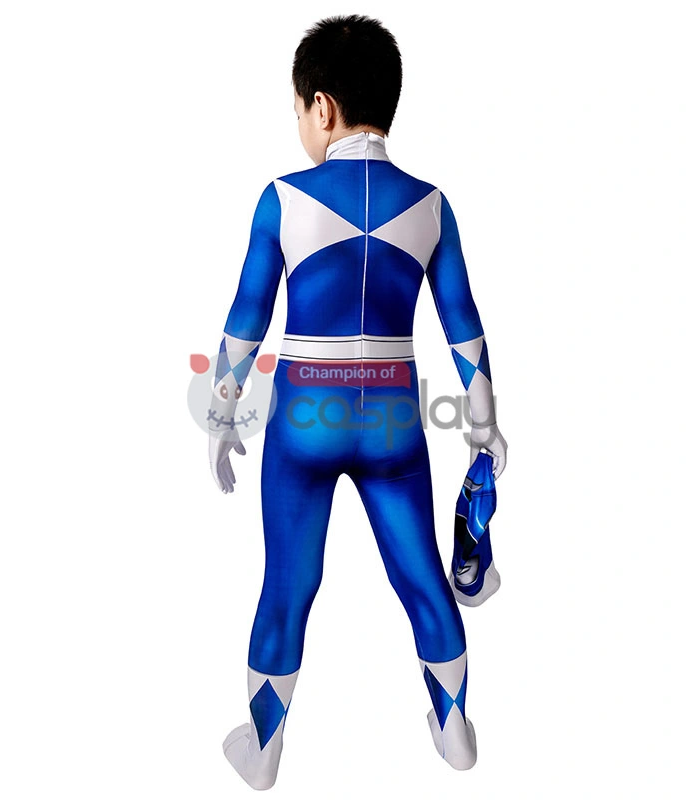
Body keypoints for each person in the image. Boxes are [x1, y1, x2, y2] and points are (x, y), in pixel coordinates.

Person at [207, 14, 508, 789]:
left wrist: (221, 414)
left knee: (288, 584)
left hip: (304, 418)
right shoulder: (432, 206)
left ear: (323, 107)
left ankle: (263, 747)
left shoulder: (282, 198)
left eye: (297, 108)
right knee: (423, 577)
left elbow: (246, 318)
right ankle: (454, 728)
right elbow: (463, 325)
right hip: (393, 420)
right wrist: (485, 425)